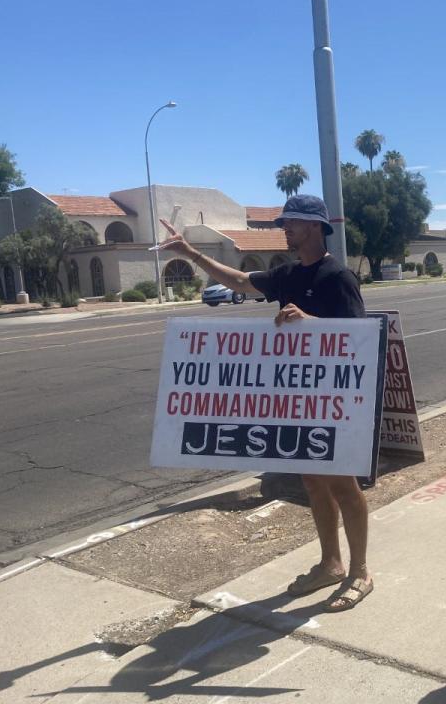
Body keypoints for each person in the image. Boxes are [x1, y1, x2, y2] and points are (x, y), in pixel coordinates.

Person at [158, 194, 373, 613]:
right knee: (312, 481)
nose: (284, 229)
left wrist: (309, 322)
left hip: (335, 400)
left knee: (343, 484)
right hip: (299, 396)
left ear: (314, 226)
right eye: (284, 222)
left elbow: (359, 338)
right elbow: (238, 282)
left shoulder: (338, 277)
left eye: (291, 222)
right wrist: (190, 253)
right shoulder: (287, 273)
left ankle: (360, 572)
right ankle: (331, 563)